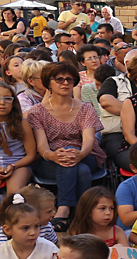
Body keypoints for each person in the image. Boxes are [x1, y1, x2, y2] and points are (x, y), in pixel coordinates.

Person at [27, 63, 105, 224]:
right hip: (49, 160)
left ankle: (63, 207)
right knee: (80, 170)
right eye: (59, 79)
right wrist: (54, 156)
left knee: (73, 155)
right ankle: (83, 214)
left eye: (70, 79)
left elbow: (89, 139)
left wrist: (81, 153)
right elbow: (42, 146)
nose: (65, 83)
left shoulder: (85, 109)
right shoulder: (37, 111)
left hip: (86, 155)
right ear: (48, 83)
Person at [0, 83, 36, 194]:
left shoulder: (22, 123)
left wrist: (13, 166)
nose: (2, 102)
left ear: (13, 103)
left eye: (7, 99)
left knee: (13, 193)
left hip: (19, 165)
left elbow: (31, 155)